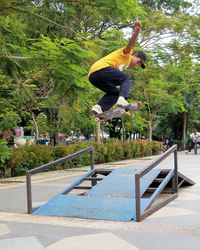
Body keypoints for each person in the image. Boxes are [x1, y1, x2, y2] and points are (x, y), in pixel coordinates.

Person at [88, 20, 147, 115]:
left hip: (93, 77)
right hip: (101, 69)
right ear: (135, 55)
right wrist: (137, 31)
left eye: (139, 65)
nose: (137, 65)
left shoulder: (123, 66)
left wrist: (126, 110)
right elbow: (130, 44)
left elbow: (122, 87)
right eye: (138, 62)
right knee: (127, 78)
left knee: (115, 93)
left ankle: (99, 108)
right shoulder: (127, 55)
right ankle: (122, 99)